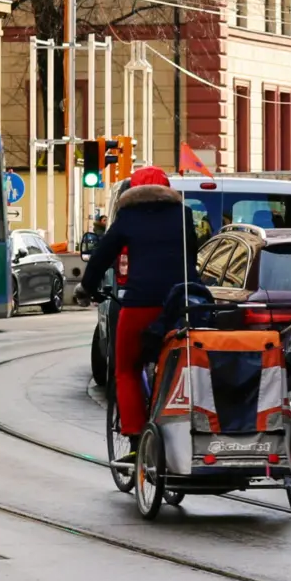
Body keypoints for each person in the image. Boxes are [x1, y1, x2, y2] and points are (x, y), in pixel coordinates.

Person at [76, 164, 197, 449]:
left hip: (140, 303)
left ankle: (134, 438)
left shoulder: (129, 217)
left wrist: (87, 288)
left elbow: (102, 255)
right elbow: (191, 254)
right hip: (181, 305)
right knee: (184, 364)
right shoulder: (184, 214)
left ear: (133, 191)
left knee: (126, 368)